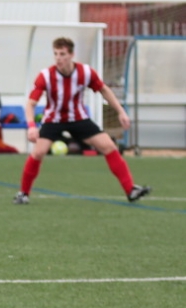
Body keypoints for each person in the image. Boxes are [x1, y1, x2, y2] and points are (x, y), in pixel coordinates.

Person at [16, 37, 149, 204]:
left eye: (62, 54)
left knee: (108, 146)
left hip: (78, 118)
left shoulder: (85, 72)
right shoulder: (46, 75)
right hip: (53, 120)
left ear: (72, 55)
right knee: (38, 152)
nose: (58, 58)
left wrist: (121, 112)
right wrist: (31, 126)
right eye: (56, 54)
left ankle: (130, 189)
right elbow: (30, 104)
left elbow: (104, 90)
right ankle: (23, 193)